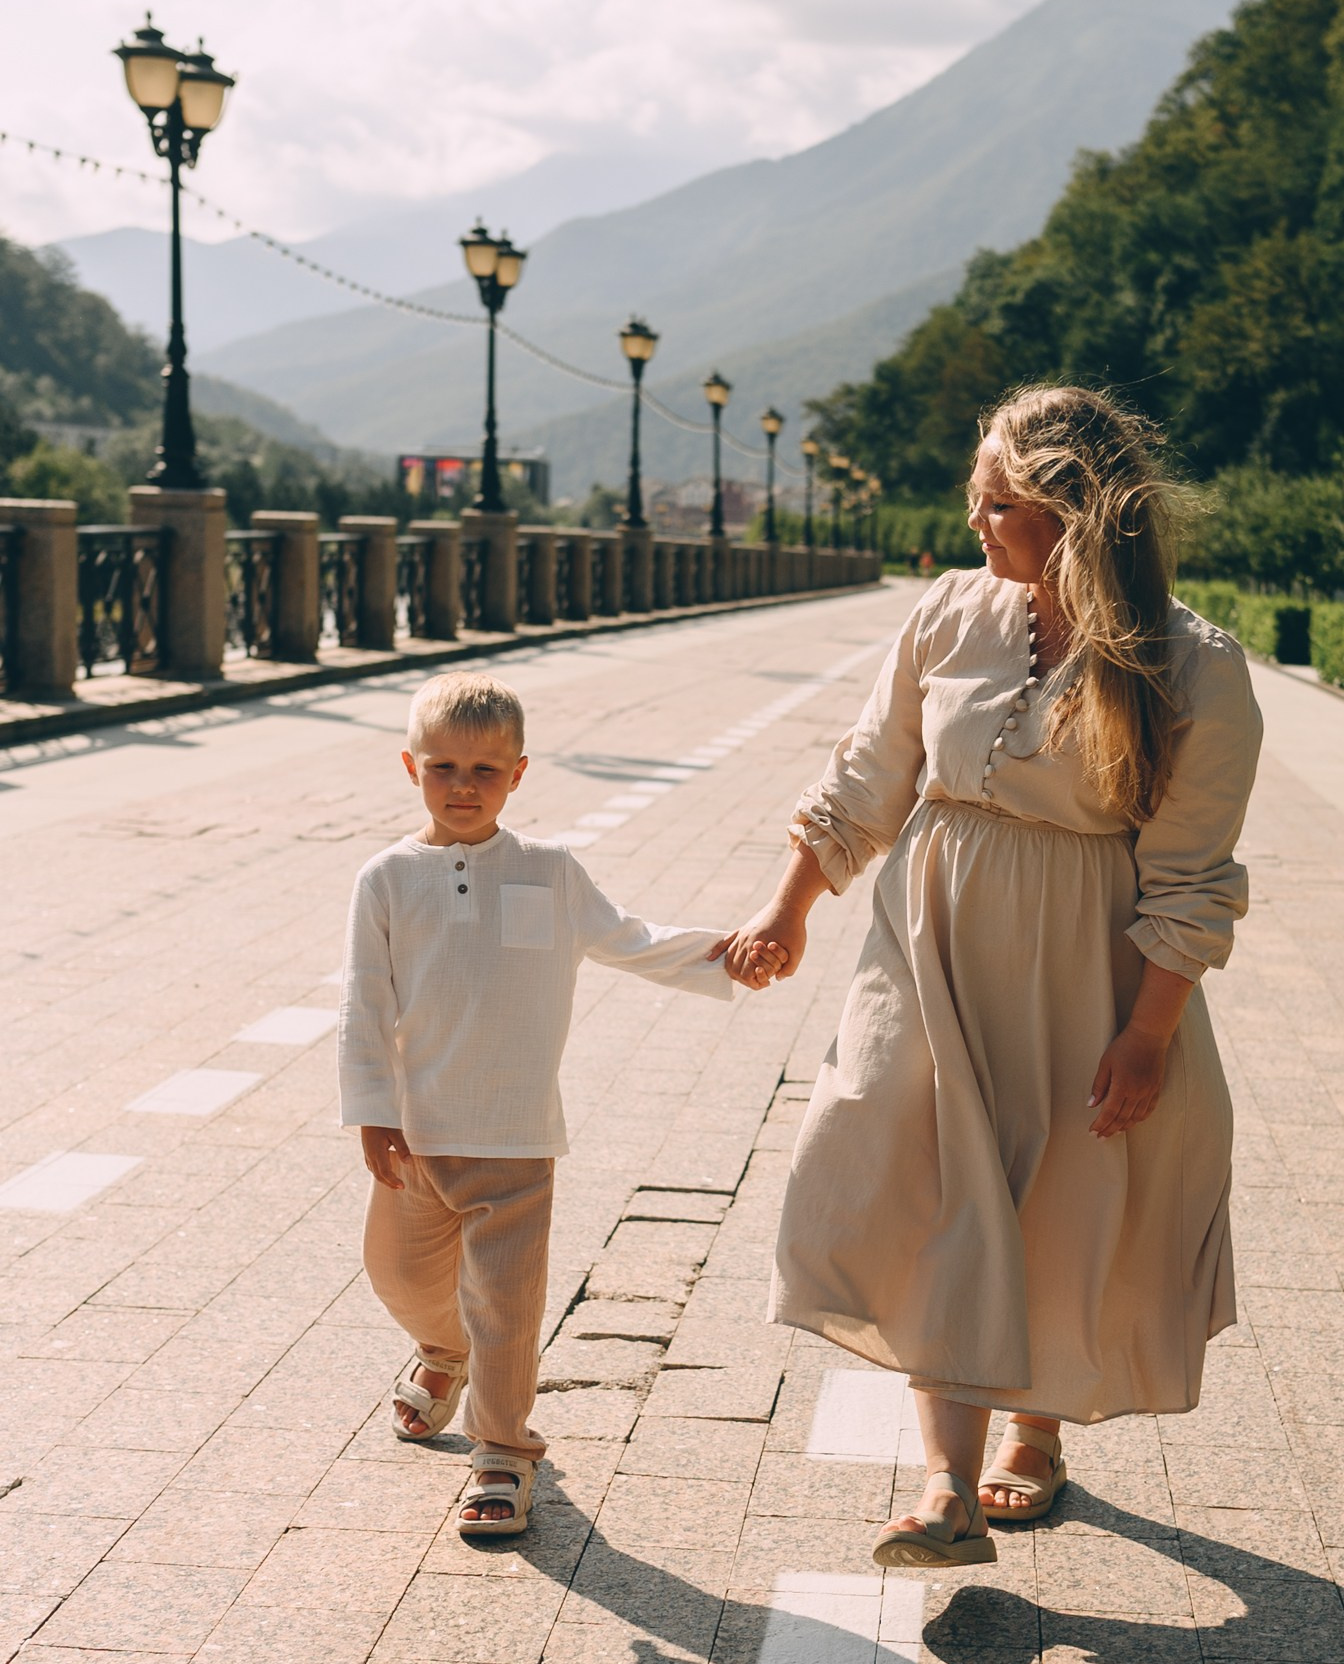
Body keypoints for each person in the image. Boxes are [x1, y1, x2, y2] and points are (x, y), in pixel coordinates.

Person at [722, 387, 1263, 1567]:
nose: (975, 522)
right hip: (927, 940)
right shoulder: (949, 615)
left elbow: (1190, 874)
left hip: (1089, 960)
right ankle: (945, 1489)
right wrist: (786, 911)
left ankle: (1033, 1432)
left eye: (997, 503)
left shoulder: (1193, 665)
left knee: (1055, 1202)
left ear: (1073, 513)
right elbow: (870, 776)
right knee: (914, 1171)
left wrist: (1148, 1034)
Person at [339, 670, 759, 1540]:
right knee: (400, 1276)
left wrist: (734, 954)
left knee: (505, 1304)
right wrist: (373, 1111)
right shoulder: (385, 878)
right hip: (416, 1135)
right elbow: (364, 1001)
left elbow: (631, 940)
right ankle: (441, 1352)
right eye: (444, 767)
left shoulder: (550, 871)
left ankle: (502, 1452)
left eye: (486, 771)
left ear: (520, 774)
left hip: (516, 1136)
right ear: (409, 766)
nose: (463, 786)